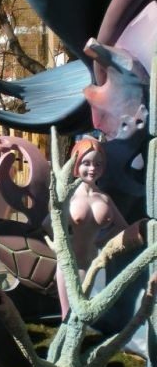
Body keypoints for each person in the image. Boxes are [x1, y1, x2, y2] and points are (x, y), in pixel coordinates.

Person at [55, 137, 128, 320]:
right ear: (75, 164)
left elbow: (122, 227)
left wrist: (102, 241)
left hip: (94, 265)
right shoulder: (68, 197)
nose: (92, 168)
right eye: (86, 163)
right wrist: (63, 242)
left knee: (84, 314)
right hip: (68, 265)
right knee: (68, 315)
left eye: (98, 164)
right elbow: (48, 224)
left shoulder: (104, 198)